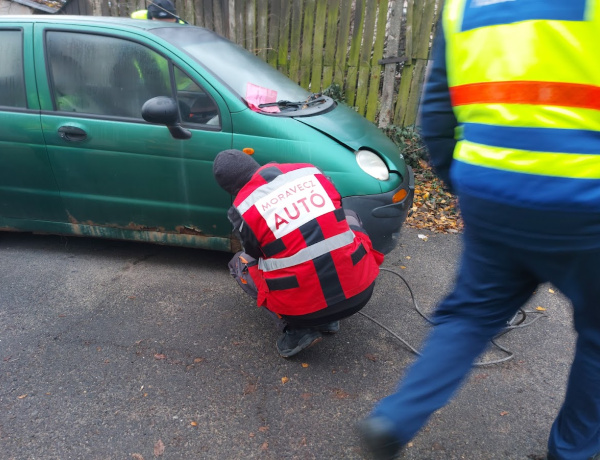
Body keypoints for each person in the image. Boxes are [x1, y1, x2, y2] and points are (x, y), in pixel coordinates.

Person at [359, 1, 600, 459]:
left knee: (470, 314)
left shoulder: (462, 6)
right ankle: (571, 452)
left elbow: (436, 107)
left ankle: (397, 417)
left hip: (491, 191)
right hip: (587, 201)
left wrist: (462, 185)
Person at [213, 149, 384, 358]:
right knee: (348, 216)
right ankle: (329, 320)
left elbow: (255, 254)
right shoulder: (309, 172)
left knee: (240, 263)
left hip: (304, 311)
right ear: (253, 164)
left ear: (231, 188)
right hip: (361, 292)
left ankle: (297, 330)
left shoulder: (243, 208)